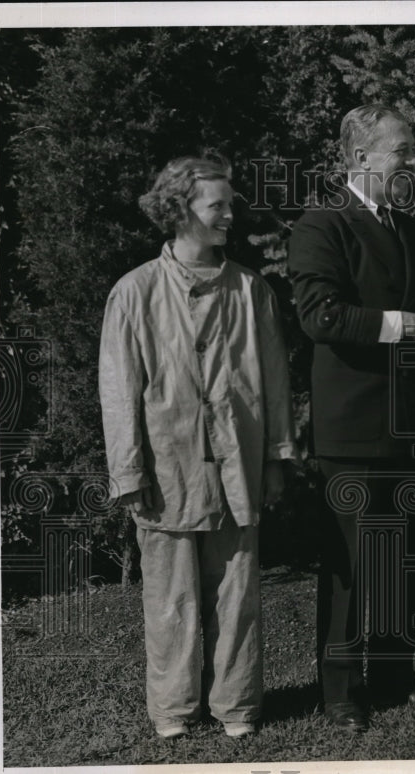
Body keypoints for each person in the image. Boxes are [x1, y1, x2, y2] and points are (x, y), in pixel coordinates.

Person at [99, 152, 297, 739]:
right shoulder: (134, 292)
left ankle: (237, 706)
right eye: (218, 205)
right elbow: (117, 389)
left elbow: (276, 378)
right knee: (171, 598)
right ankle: (174, 711)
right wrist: (128, 471)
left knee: (237, 592)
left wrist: (278, 456)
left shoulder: (250, 290)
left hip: (239, 463)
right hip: (167, 466)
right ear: (181, 210)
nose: (230, 214)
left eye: (229, 203)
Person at [287, 103, 415, 732]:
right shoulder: (321, 225)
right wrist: (407, 324)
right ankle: (339, 688)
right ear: (361, 158)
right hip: (353, 429)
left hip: (413, 425)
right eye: (403, 150)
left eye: (414, 149)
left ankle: (393, 670)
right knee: (353, 565)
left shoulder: (412, 228)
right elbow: (321, 316)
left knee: (405, 561)